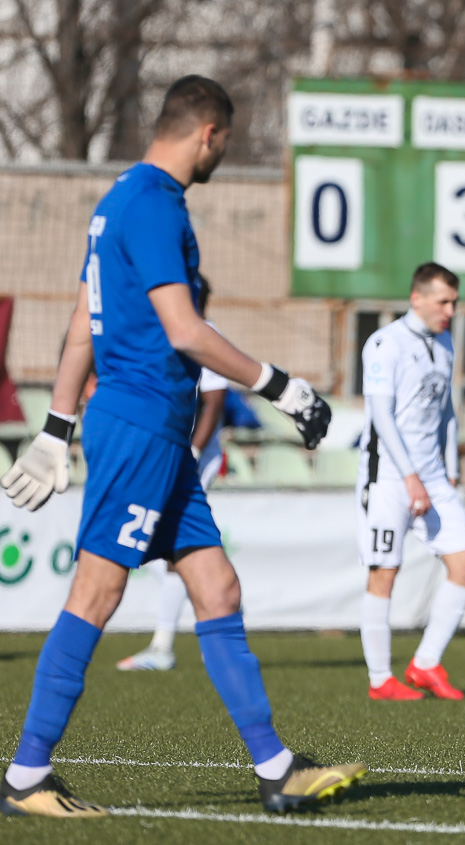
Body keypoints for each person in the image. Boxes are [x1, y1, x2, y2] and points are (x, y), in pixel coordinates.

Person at [0, 76, 365, 818]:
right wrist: (283, 387)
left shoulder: (119, 203)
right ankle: (25, 775)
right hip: (140, 428)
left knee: (217, 587)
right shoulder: (155, 206)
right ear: (208, 134)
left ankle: (276, 769)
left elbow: (82, 322)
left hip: (156, 433)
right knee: (96, 593)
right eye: (224, 142)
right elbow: (185, 331)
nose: (221, 155)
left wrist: (57, 425)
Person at [357, 262, 465, 702]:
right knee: (384, 573)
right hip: (390, 477)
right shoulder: (384, 344)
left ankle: (425, 663)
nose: (450, 311)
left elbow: (445, 410)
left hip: (432, 476)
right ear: (417, 298)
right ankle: (380, 680)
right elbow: (381, 416)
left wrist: (450, 464)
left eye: (454, 302)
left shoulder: (444, 342)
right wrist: (410, 476)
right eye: (443, 302)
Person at [117, 273, 228, 671]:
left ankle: (165, 645)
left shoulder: (204, 333)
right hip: (165, 455)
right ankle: (218, 609)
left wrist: (193, 452)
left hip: (190, 459)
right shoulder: (169, 333)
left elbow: (214, 401)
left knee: (176, 549)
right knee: (167, 547)